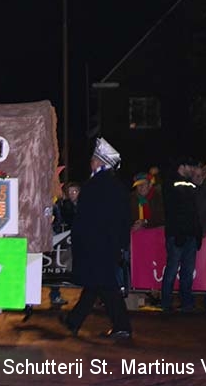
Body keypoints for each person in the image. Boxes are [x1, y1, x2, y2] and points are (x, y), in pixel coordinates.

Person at [59, 137, 132, 340]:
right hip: (109, 245)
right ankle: (73, 320)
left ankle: (122, 326)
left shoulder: (93, 186)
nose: (90, 162)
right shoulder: (118, 186)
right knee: (95, 284)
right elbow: (124, 218)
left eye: (93, 159)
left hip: (94, 245)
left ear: (100, 162)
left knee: (105, 285)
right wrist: (121, 243)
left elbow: (83, 220)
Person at [160, 156, 202, 313]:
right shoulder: (172, 184)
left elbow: (193, 212)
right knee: (174, 269)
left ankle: (185, 303)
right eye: (190, 166)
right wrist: (181, 231)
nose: (193, 170)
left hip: (187, 234)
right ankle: (168, 303)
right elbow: (175, 211)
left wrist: (197, 232)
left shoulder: (188, 184)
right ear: (182, 167)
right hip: (179, 234)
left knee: (185, 271)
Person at [49, 181, 80, 307]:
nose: (72, 194)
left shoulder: (85, 205)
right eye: (70, 191)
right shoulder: (63, 205)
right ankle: (55, 294)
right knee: (56, 267)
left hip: (77, 241)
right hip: (64, 240)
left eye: (75, 191)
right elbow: (61, 220)